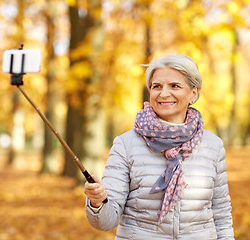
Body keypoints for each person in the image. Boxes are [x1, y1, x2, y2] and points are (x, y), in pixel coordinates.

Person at [84, 54, 234, 239]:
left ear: (193, 93)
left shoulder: (213, 146)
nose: (164, 94)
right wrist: (98, 203)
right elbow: (106, 222)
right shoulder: (126, 145)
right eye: (157, 86)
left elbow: (221, 215)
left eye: (175, 86)